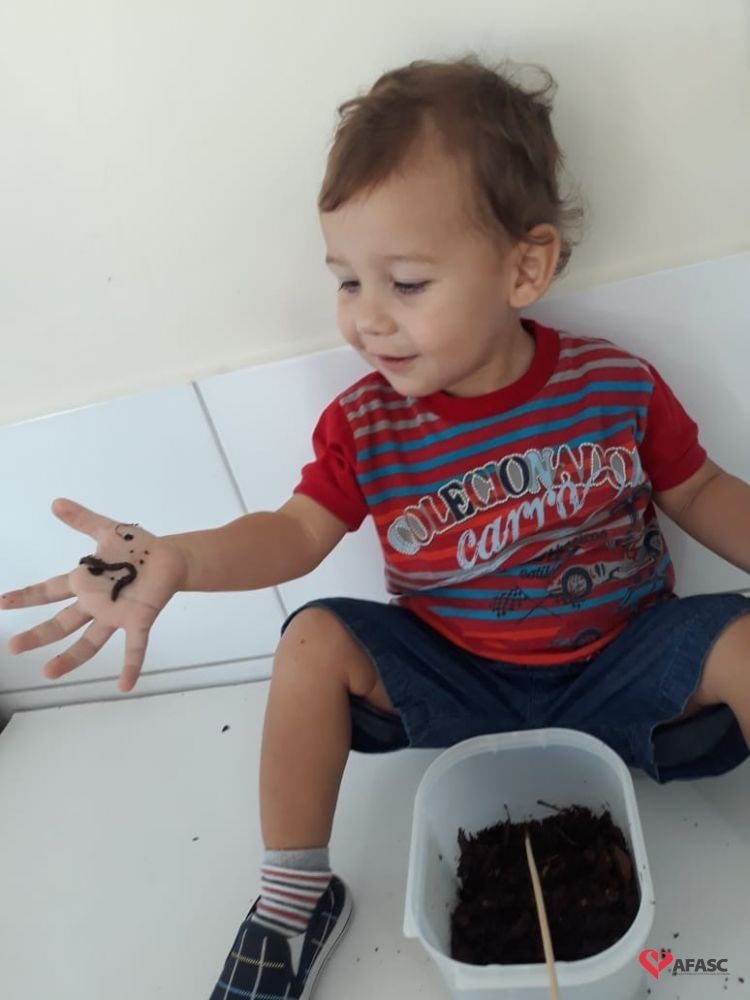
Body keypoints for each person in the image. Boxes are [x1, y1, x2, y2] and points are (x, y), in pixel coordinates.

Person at [2, 53, 750, 999]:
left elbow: (703, 491)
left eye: (405, 282)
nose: (367, 320)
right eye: (347, 282)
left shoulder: (613, 384)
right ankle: (292, 902)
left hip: (624, 664)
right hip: (460, 678)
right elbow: (293, 533)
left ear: (525, 267)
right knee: (311, 639)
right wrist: (179, 559)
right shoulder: (365, 424)